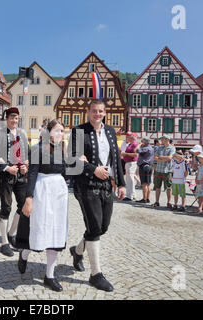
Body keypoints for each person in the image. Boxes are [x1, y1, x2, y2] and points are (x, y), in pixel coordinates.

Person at [68, 99, 126, 292]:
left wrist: (121, 183)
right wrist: (92, 169)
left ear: (105, 112)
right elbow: (73, 158)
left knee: (103, 227)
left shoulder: (110, 131)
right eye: (94, 111)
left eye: (101, 111)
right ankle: (96, 274)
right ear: (88, 111)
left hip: (106, 185)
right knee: (93, 227)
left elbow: (116, 157)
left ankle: (77, 251)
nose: (97, 114)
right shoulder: (79, 131)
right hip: (86, 185)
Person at [16, 119, 72, 292]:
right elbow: (32, 175)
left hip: (59, 193)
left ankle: (50, 275)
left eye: (62, 131)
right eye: (56, 130)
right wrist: (29, 198)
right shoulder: (38, 149)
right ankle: (24, 254)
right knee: (38, 229)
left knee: (56, 230)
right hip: (42, 190)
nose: (60, 134)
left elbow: (64, 173)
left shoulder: (62, 150)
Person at [0, 108, 29, 257]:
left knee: (23, 206)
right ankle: (4, 243)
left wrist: (25, 165)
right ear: (7, 119)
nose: (14, 121)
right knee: (6, 207)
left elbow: (27, 153)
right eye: (12, 118)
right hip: (5, 176)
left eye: (16, 118)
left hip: (20, 176)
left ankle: (11, 234)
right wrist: (7, 168)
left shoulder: (22, 135)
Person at [152, 134, 176, 208]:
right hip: (158, 169)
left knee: (168, 187)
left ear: (167, 139)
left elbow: (169, 158)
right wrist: (163, 158)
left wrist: (160, 157)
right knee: (157, 187)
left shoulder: (172, 148)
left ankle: (168, 202)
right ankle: (157, 201)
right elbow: (155, 157)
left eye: (162, 139)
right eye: (161, 139)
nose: (161, 140)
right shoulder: (159, 148)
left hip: (167, 170)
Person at [120, 132, 138, 201]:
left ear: (132, 138)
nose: (127, 138)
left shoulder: (134, 144)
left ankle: (129, 196)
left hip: (131, 162)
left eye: (129, 137)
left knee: (129, 179)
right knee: (130, 179)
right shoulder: (131, 144)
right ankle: (132, 194)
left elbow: (135, 154)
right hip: (129, 162)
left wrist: (125, 154)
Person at [135, 137, 154, 203]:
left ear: (145, 142)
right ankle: (147, 198)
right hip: (149, 166)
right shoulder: (151, 148)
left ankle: (144, 198)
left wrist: (139, 144)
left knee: (144, 184)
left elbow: (137, 150)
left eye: (142, 141)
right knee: (148, 184)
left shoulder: (145, 148)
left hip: (144, 166)